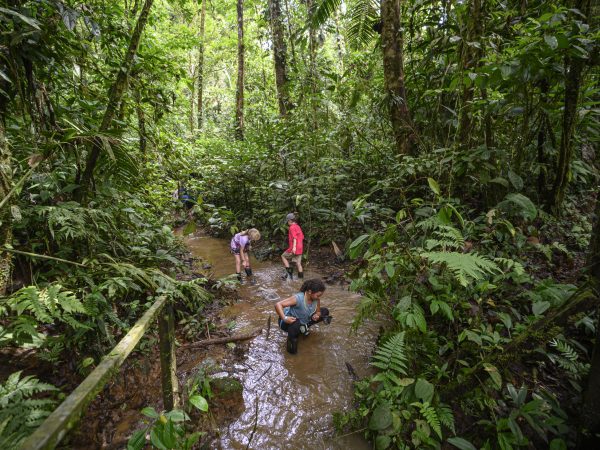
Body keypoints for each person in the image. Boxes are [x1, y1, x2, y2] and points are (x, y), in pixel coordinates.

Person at [275, 278, 332, 354]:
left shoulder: (316, 300)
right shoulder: (298, 298)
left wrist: (317, 315)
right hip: (287, 322)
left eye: (320, 296)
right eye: (318, 295)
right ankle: (292, 350)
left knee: (325, 311)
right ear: (309, 292)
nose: (319, 297)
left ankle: (304, 327)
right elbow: (278, 304)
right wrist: (284, 318)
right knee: (296, 324)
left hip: (304, 320)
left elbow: (318, 312)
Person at [281, 212, 304, 280]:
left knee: (283, 256)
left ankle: (289, 274)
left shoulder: (292, 227)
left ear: (290, 221)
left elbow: (294, 238)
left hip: (294, 248)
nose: (287, 223)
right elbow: (302, 237)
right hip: (300, 247)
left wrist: (293, 248)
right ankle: (301, 279)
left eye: (287, 221)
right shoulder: (298, 226)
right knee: (298, 264)